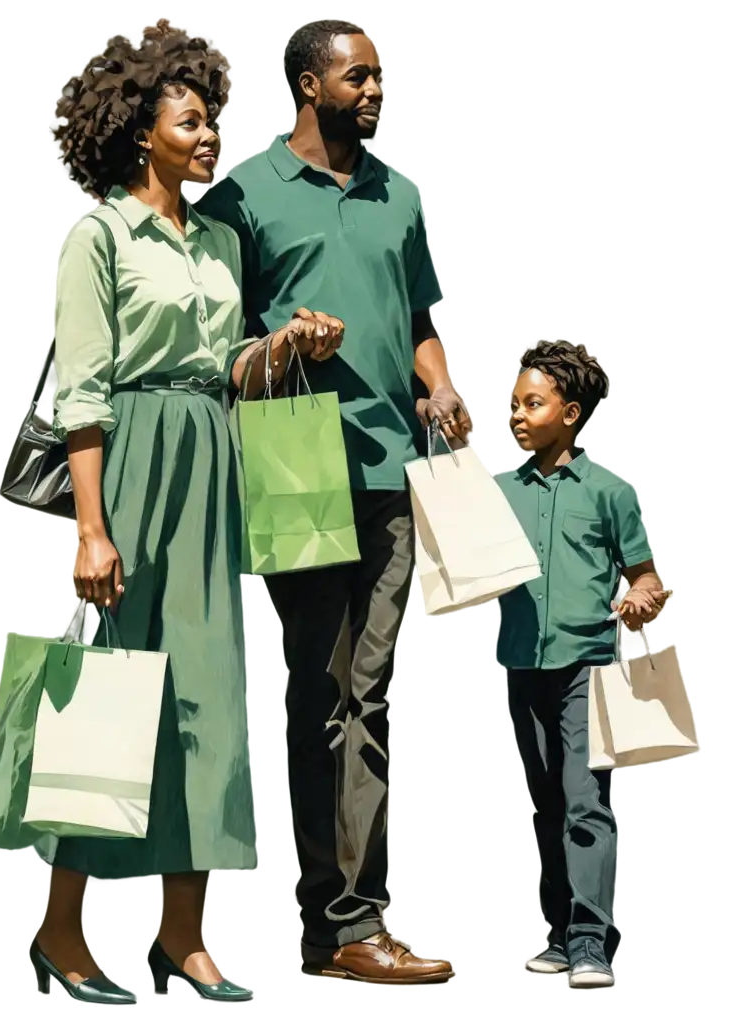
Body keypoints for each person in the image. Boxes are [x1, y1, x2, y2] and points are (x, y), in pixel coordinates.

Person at [29, 20, 345, 1007]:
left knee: (209, 704)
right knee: (111, 700)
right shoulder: (96, 237)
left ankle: (185, 935)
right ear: (142, 133)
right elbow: (79, 389)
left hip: (213, 464)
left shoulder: (215, 238)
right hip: (128, 466)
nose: (212, 136)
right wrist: (90, 524)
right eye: (193, 121)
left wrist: (286, 343)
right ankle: (61, 926)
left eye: (211, 120)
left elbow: (225, 370)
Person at [197, 17, 467, 984]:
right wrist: (283, 348)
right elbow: (214, 338)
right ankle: (334, 928)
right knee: (317, 699)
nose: (377, 91)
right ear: (310, 85)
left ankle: (353, 926)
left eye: (382, 76)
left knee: (374, 696)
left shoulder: (404, 193)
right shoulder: (242, 192)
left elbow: (420, 314)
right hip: (295, 457)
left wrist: (437, 383)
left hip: (395, 469)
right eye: (360, 77)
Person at [495, 340, 670, 991]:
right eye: (512, 404)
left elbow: (648, 578)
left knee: (584, 802)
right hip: (522, 664)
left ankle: (591, 940)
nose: (516, 415)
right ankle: (557, 936)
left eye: (532, 403)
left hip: (588, 669)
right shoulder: (499, 489)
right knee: (543, 802)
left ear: (568, 412)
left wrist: (638, 598)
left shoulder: (609, 489)